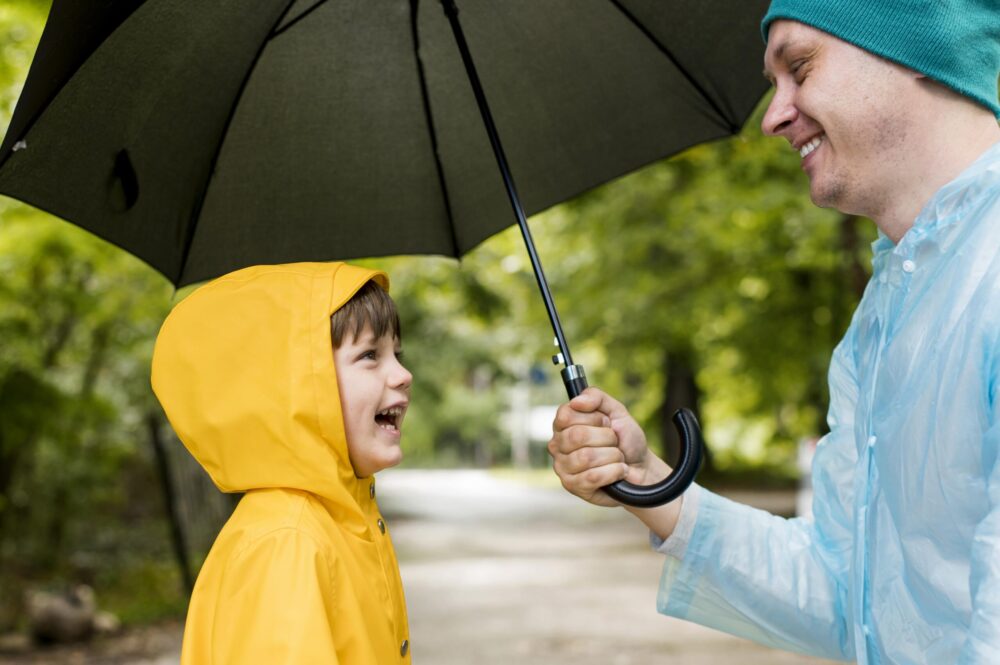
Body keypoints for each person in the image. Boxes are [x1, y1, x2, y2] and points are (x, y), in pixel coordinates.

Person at [548, 1, 1000, 663]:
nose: (773, 116)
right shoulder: (885, 315)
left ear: (916, 47)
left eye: (799, 67)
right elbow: (848, 592)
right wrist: (646, 477)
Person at [151, 262, 413, 664]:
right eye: (369, 356)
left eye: (396, 353)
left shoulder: (344, 520)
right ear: (298, 385)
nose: (402, 374)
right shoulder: (287, 543)